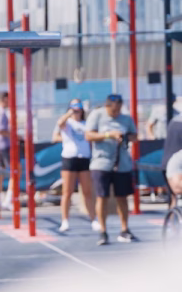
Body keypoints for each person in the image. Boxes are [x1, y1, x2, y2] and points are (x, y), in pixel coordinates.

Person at [85, 94, 138, 246]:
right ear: (107, 106)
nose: (116, 113)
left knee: (122, 197)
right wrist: (109, 135)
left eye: (118, 110)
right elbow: (88, 135)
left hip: (122, 164)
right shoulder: (97, 115)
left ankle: (124, 229)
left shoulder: (126, 119)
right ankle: (103, 231)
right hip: (101, 162)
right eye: (113, 110)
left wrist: (124, 137)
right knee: (102, 197)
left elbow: (135, 136)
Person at [52, 100, 99, 233]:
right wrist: (70, 113)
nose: (76, 111)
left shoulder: (86, 123)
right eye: (74, 108)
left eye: (78, 108)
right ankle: (65, 220)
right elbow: (59, 123)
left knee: (87, 192)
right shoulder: (67, 123)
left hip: (84, 159)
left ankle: (94, 219)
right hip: (69, 158)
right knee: (67, 192)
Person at [161, 111, 182, 208]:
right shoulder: (178, 123)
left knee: (174, 199)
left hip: (167, 163)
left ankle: (172, 215)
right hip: (175, 164)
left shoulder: (174, 121)